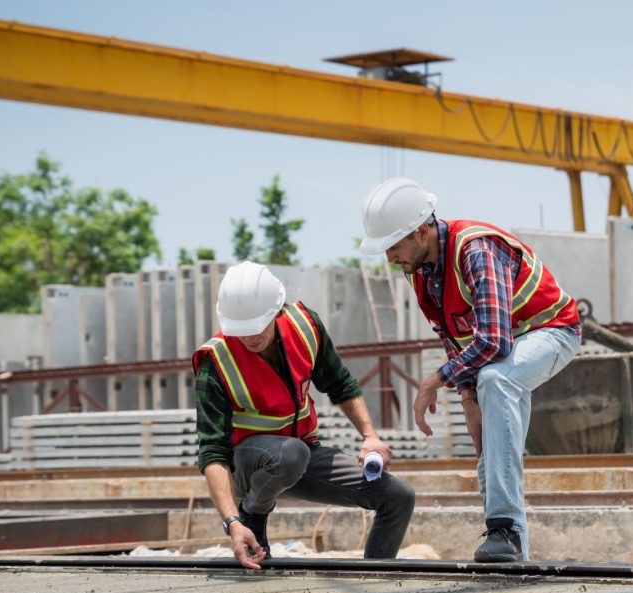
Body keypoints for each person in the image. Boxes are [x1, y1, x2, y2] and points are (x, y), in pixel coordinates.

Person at [360, 178, 581, 562]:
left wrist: (434, 381)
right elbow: (453, 333)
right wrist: (467, 397)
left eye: (394, 246)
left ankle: (504, 529)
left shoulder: (475, 248)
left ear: (421, 231)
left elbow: (494, 342)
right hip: (504, 350)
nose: (390, 257)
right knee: (490, 441)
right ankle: (512, 555)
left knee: (497, 378)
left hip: (551, 330)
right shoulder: (419, 271)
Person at [193, 261, 415, 569]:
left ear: (277, 310)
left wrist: (370, 436)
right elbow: (212, 452)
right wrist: (233, 522)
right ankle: (252, 516)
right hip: (247, 468)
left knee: (399, 497)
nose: (250, 338)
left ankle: (376, 576)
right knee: (291, 454)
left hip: (300, 457)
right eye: (242, 331)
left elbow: (340, 384)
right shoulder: (215, 361)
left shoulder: (305, 327)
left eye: (259, 326)